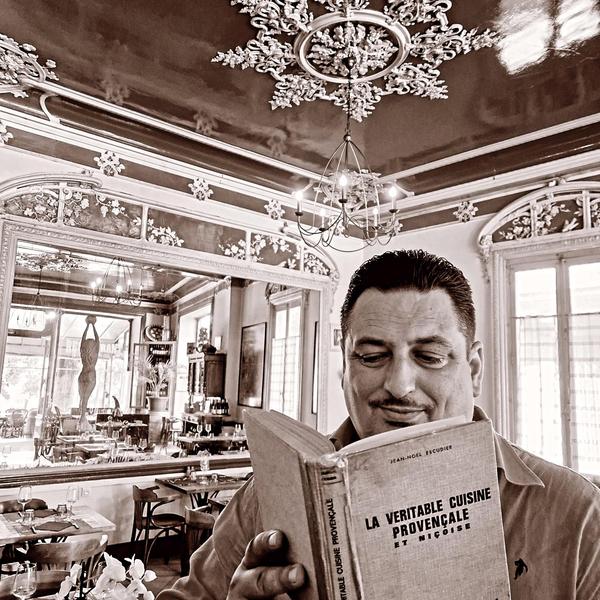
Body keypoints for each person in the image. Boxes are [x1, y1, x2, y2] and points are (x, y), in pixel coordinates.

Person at [158, 249, 600, 600]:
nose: (400, 385)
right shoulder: (271, 495)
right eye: (372, 357)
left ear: (474, 370)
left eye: (430, 356)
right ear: (344, 370)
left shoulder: (576, 514)